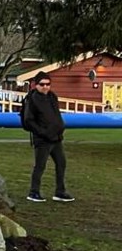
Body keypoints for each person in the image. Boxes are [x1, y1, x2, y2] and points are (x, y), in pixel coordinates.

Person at [22, 71, 74, 203]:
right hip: (43, 139)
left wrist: (59, 128)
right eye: (42, 84)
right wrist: (43, 132)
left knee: (61, 163)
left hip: (56, 138)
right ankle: (34, 192)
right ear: (36, 85)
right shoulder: (32, 99)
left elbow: (56, 114)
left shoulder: (52, 97)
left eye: (48, 84)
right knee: (40, 166)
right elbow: (28, 121)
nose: (45, 87)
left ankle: (60, 191)